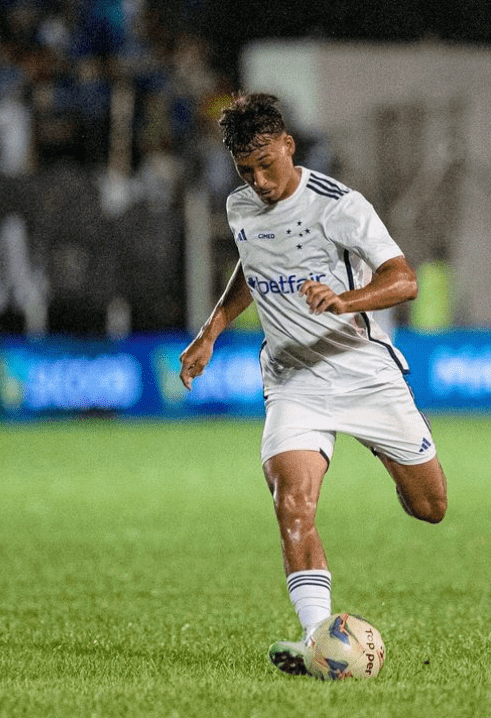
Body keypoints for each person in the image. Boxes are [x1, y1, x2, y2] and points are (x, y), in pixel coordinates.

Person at [178, 93, 448, 677]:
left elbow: (404, 281)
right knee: (292, 506)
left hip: (363, 374)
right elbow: (252, 269)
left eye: (267, 164)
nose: (260, 181)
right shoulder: (240, 206)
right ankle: (316, 642)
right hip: (292, 379)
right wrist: (210, 332)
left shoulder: (339, 205)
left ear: (288, 145)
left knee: (430, 507)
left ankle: (384, 447)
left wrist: (344, 300)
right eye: (245, 170)